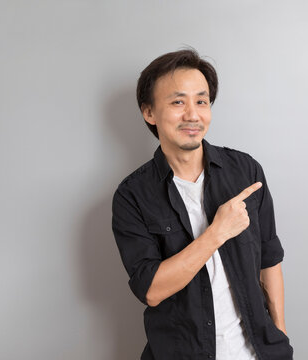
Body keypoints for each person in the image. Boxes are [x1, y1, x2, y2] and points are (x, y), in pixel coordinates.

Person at [111, 49, 293, 360]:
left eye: (202, 101)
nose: (193, 115)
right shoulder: (132, 196)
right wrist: (216, 233)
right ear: (149, 112)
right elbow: (151, 290)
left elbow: (270, 259)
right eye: (178, 102)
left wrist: (279, 336)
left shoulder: (245, 171)